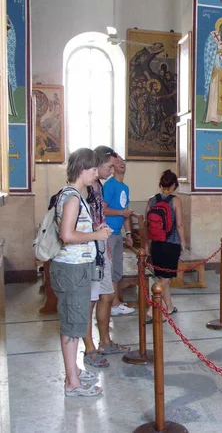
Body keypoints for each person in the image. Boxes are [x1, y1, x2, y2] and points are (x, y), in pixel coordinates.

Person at [50, 148, 112, 397]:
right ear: (82, 169)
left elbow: (73, 229)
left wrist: (94, 228)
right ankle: (72, 382)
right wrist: (96, 235)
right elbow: (67, 235)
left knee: (73, 322)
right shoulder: (73, 197)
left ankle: (73, 371)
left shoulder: (72, 195)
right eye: (94, 169)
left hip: (75, 268)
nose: (97, 174)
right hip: (72, 269)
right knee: (72, 324)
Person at [82, 146, 130, 368]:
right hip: (88, 251)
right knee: (91, 300)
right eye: (109, 166)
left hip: (102, 249)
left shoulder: (99, 187)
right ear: (96, 164)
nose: (111, 170)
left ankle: (105, 341)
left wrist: (105, 247)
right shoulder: (83, 190)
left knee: (107, 296)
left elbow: (99, 218)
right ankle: (89, 347)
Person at [145, 169, 187, 322]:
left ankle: (169, 307)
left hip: (156, 243)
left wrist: (147, 245)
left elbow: (147, 224)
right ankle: (151, 309)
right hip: (171, 244)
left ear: (160, 184)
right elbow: (180, 224)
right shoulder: (175, 201)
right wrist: (183, 243)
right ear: (175, 185)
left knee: (163, 276)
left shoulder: (152, 200)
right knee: (166, 279)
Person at [103, 155, 136, 316]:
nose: (121, 163)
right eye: (117, 162)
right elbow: (103, 209)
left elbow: (126, 212)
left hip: (117, 234)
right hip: (107, 232)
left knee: (116, 269)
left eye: (123, 161)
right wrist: (122, 212)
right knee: (109, 269)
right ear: (111, 167)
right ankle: (112, 304)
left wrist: (128, 233)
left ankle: (115, 303)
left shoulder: (125, 187)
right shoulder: (109, 186)